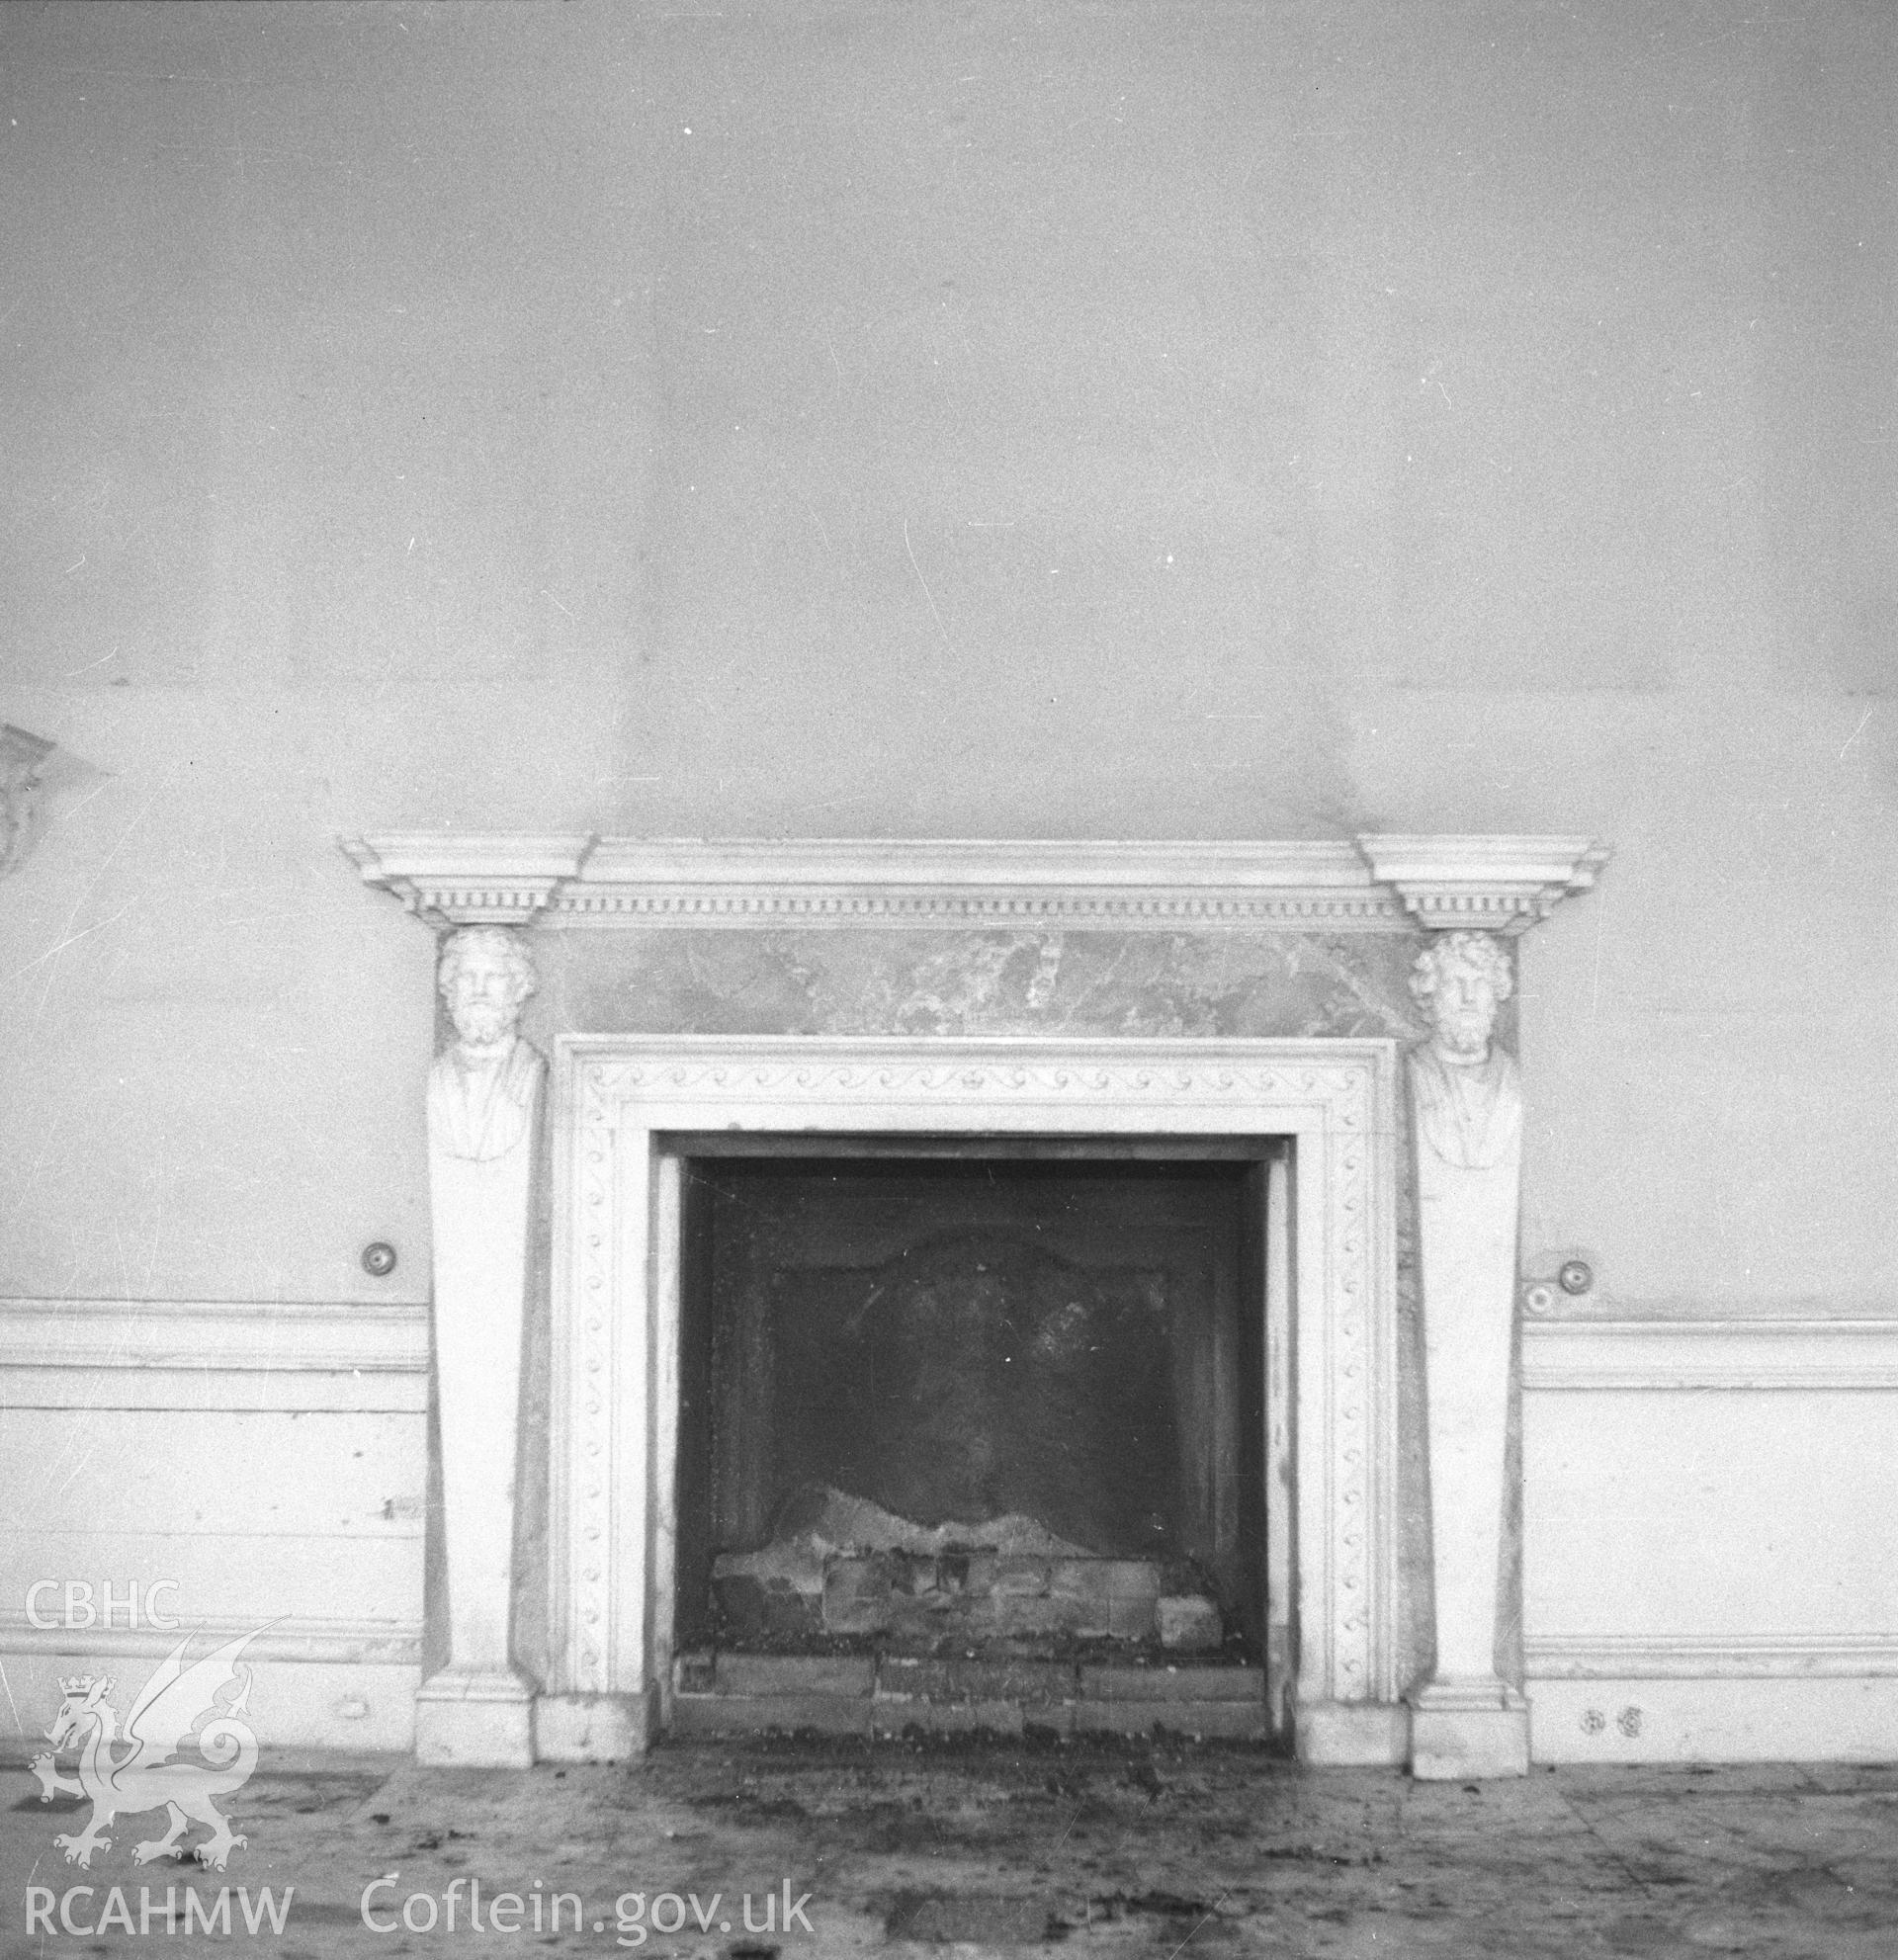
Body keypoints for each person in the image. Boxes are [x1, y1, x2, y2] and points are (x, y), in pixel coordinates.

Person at [427, 926, 544, 1163]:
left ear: (519, 988)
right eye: (467, 977)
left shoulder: (529, 1068)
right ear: (450, 988)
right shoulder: (440, 1074)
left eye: (493, 977)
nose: (479, 990)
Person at [1407, 930, 1520, 1171]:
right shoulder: (1415, 1070)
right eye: (1454, 984)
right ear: (1430, 993)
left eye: (1480, 984)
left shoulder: (1512, 1076)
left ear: (1496, 993)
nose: (1468, 998)